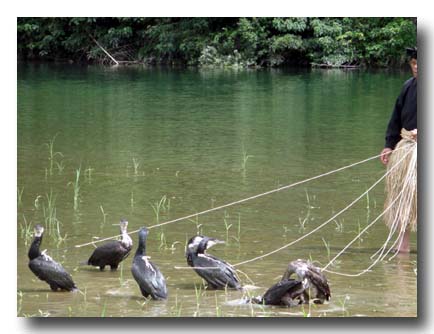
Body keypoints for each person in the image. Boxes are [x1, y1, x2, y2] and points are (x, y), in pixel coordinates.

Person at [380, 47, 417, 253]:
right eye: (414, 63)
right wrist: (389, 144)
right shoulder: (408, 87)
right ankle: (403, 245)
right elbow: (395, 118)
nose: (417, 66)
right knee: (404, 198)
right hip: (406, 148)